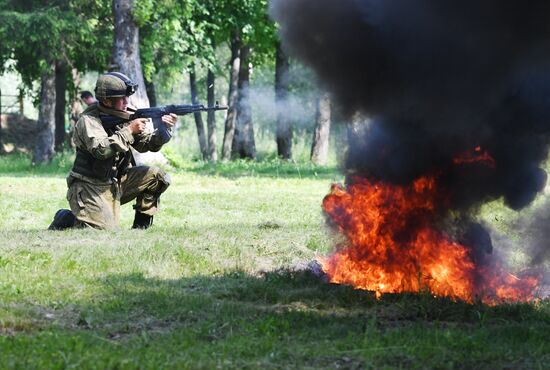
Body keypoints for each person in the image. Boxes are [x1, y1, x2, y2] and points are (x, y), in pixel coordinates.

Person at [49, 72, 177, 230]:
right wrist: (129, 130)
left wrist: (164, 130)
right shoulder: (88, 121)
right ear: (107, 101)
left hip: (117, 181)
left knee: (158, 177)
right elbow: (101, 150)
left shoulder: (124, 114)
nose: (126, 102)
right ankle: (68, 218)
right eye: (122, 99)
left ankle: (140, 228)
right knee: (104, 232)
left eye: (127, 97)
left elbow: (146, 146)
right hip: (90, 186)